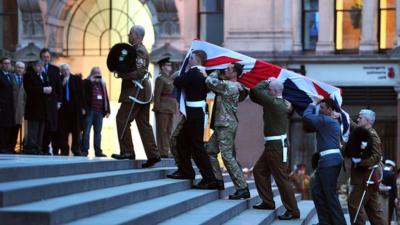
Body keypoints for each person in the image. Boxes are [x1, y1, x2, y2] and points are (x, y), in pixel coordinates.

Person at [250, 78, 300, 220]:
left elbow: (256, 90)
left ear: (275, 91)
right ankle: (267, 201)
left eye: (269, 89)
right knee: (259, 171)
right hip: (273, 145)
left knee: (281, 179)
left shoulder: (274, 103)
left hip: (276, 146)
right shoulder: (277, 102)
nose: (267, 91)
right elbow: (255, 96)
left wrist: (266, 80)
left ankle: (293, 210)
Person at [166, 50, 218, 189]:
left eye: (191, 58)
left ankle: (209, 179)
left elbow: (177, 82)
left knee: (197, 147)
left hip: (194, 113)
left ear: (197, 60)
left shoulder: (194, 73)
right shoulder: (202, 74)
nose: (189, 60)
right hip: (195, 113)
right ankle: (186, 171)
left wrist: (180, 73)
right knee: (182, 141)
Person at [113, 25, 160, 168]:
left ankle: (127, 151)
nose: (129, 34)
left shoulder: (139, 50)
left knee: (122, 119)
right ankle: (153, 155)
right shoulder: (134, 50)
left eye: (131, 33)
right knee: (143, 124)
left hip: (135, 92)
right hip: (140, 92)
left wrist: (121, 74)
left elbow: (139, 73)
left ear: (138, 36)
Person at [205, 63, 250, 199]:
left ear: (235, 73)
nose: (225, 70)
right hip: (222, 124)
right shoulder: (232, 85)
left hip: (225, 124)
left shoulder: (229, 86)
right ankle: (218, 180)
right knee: (210, 151)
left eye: (228, 69)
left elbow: (209, 81)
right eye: (225, 68)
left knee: (227, 157)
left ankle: (242, 188)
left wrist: (217, 70)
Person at [303, 98, 347, 225]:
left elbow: (306, 116)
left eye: (322, 108)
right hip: (327, 161)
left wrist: (312, 102)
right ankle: (325, 222)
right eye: (319, 107)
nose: (320, 110)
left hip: (329, 161)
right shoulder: (330, 120)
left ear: (330, 110)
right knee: (317, 192)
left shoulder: (325, 120)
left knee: (330, 195)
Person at [347, 109, 386, 225]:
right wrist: (342, 115)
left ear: (368, 120)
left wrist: (360, 161)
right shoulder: (363, 132)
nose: (357, 119)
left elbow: (376, 157)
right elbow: (353, 126)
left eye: (360, 118)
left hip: (366, 176)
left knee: (354, 205)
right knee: (374, 211)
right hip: (366, 176)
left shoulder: (372, 135)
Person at [58, 64, 86, 156]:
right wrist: (62, 84)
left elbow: (82, 94)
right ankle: (64, 150)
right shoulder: (59, 79)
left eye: (67, 69)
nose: (66, 71)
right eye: (64, 70)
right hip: (63, 110)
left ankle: (76, 149)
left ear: (70, 70)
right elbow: (57, 93)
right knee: (63, 131)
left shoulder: (76, 79)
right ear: (61, 71)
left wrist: (83, 107)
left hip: (75, 109)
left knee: (76, 130)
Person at [82, 67, 110, 157]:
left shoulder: (102, 84)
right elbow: (83, 95)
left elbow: (106, 97)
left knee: (98, 133)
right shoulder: (87, 82)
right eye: (95, 72)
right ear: (91, 73)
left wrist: (107, 110)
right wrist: (91, 81)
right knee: (86, 132)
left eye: (98, 72)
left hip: (100, 112)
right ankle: (84, 151)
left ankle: (98, 151)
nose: (97, 74)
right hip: (90, 111)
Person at [153, 57, 177, 158]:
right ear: (162, 67)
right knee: (161, 130)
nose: (169, 67)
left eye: (170, 65)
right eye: (167, 65)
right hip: (162, 108)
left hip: (170, 108)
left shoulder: (169, 79)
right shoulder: (160, 78)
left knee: (168, 130)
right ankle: (162, 151)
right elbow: (157, 94)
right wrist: (156, 107)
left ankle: (166, 149)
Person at [23, 60, 49, 154]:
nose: (41, 68)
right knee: (33, 128)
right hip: (33, 107)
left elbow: (46, 85)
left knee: (41, 129)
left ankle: (38, 147)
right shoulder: (28, 75)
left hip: (43, 107)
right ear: (34, 66)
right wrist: (43, 89)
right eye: (39, 66)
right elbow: (29, 89)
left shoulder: (43, 76)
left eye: (42, 66)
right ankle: (31, 147)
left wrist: (48, 89)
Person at [40, 48, 62, 155]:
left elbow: (58, 87)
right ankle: (42, 147)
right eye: (44, 57)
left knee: (51, 126)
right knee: (41, 126)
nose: (46, 59)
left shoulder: (55, 69)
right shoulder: (36, 68)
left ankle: (47, 147)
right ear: (41, 58)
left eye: (47, 57)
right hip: (41, 102)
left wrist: (59, 101)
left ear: (50, 58)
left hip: (52, 102)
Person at [9, 61, 26, 152]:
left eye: (22, 68)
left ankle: (12, 147)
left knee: (16, 128)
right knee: (8, 128)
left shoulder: (25, 79)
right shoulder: (10, 77)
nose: (20, 69)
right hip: (10, 106)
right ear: (15, 68)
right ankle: (6, 146)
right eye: (18, 67)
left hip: (20, 108)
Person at [0, 58, 15, 153]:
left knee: (8, 127)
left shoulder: (10, 75)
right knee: (1, 127)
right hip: (1, 106)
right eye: (5, 63)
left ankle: (6, 146)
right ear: (1, 65)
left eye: (8, 63)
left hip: (9, 106)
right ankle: (1, 147)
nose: (7, 65)